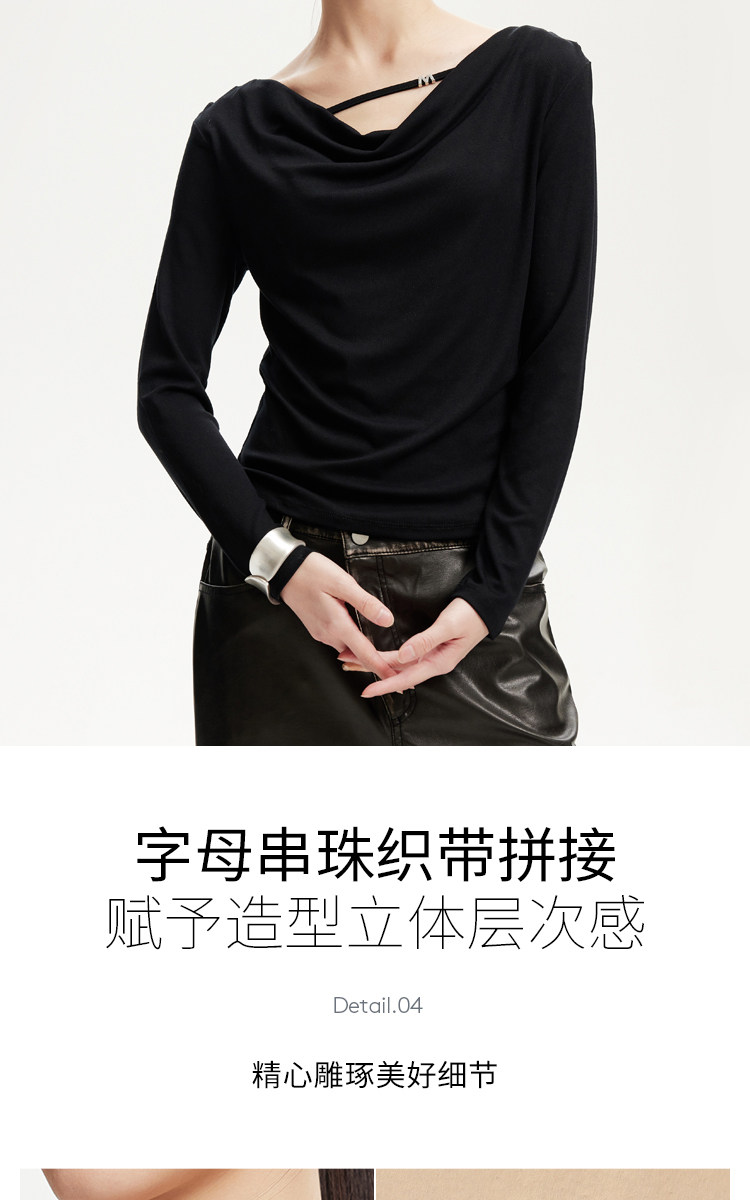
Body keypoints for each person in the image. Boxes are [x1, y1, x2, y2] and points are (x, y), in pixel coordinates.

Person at [136, 2, 597, 746]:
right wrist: (279, 564)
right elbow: (165, 389)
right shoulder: (235, 133)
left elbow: (554, 357)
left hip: (475, 596)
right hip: (281, 607)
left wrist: (489, 596)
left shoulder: (538, 77)